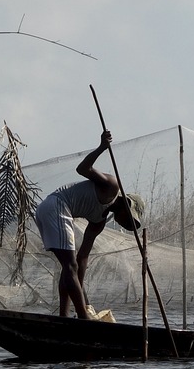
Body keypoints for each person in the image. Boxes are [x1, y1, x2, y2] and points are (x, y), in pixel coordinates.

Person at [34, 130, 144, 319]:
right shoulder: (111, 186)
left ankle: (64, 316)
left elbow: (83, 258)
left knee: (71, 267)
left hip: (53, 211)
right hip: (56, 206)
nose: (127, 225)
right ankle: (82, 317)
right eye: (130, 219)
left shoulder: (99, 222)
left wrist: (79, 285)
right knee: (70, 267)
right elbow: (83, 169)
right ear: (126, 205)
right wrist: (102, 147)